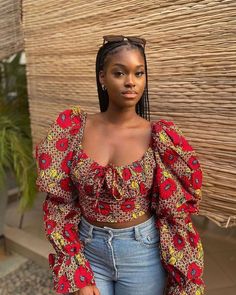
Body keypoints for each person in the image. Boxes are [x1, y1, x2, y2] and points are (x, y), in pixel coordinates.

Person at [35, 35, 204, 295]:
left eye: (139, 73)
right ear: (102, 77)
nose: (130, 82)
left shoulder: (159, 138)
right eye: (119, 73)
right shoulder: (73, 129)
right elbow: (61, 203)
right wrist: (77, 270)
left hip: (142, 254)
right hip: (89, 249)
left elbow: (174, 215)